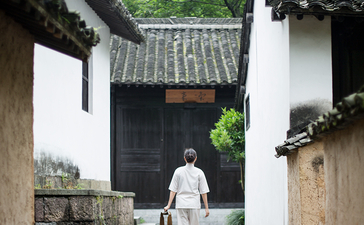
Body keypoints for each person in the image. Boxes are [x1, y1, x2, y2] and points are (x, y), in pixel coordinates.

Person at [164, 148, 210, 225]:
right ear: (195, 159)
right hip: (194, 204)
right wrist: (206, 208)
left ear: (185, 158)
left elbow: (173, 190)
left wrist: (168, 205)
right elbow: (203, 192)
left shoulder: (178, 171)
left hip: (181, 204)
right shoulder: (199, 172)